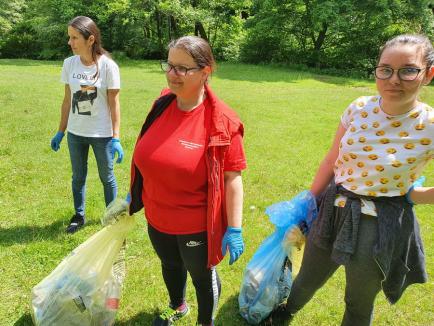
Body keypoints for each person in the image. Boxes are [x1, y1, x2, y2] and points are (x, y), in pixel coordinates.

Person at [267, 34, 434, 326]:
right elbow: (332, 160)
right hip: (335, 206)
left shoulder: (430, 125)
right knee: (308, 276)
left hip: (381, 222)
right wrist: (308, 202)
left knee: (359, 297)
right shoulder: (358, 108)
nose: (394, 79)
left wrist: (412, 196)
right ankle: (286, 311)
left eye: (408, 70)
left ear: (428, 74)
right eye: (385, 69)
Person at [128, 35, 246, 326]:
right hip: (157, 217)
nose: (172, 74)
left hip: (196, 226)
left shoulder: (223, 121)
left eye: (182, 68)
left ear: (206, 72)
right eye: (169, 65)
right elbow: (148, 156)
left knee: (203, 279)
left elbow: (232, 179)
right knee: (169, 265)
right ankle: (177, 305)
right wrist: (134, 194)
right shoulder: (162, 104)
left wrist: (235, 227)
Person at [50, 16, 124, 234]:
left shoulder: (108, 66)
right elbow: (67, 100)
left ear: (90, 39)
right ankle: (78, 216)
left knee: (107, 177)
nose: (70, 42)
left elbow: (114, 104)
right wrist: (61, 131)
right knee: (78, 177)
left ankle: (112, 217)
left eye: (74, 38)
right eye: (69, 37)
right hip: (76, 132)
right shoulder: (69, 64)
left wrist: (116, 137)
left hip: (102, 134)